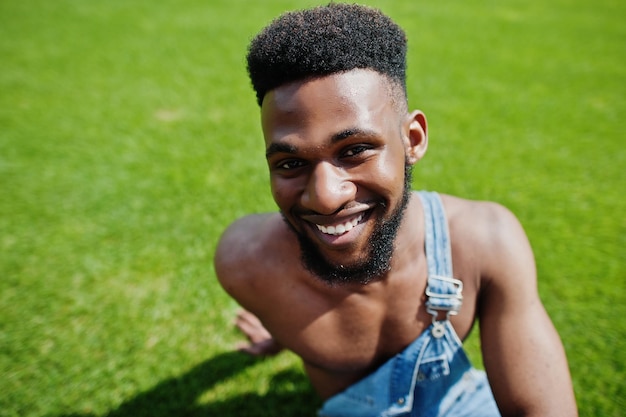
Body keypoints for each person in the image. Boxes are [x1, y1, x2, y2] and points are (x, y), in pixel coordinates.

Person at [214, 3, 577, 416]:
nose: (325, 197)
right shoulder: (247, 264)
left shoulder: (484, 245)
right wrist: (278, 325)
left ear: (413, 139)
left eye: (355, 150)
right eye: (291, 163)